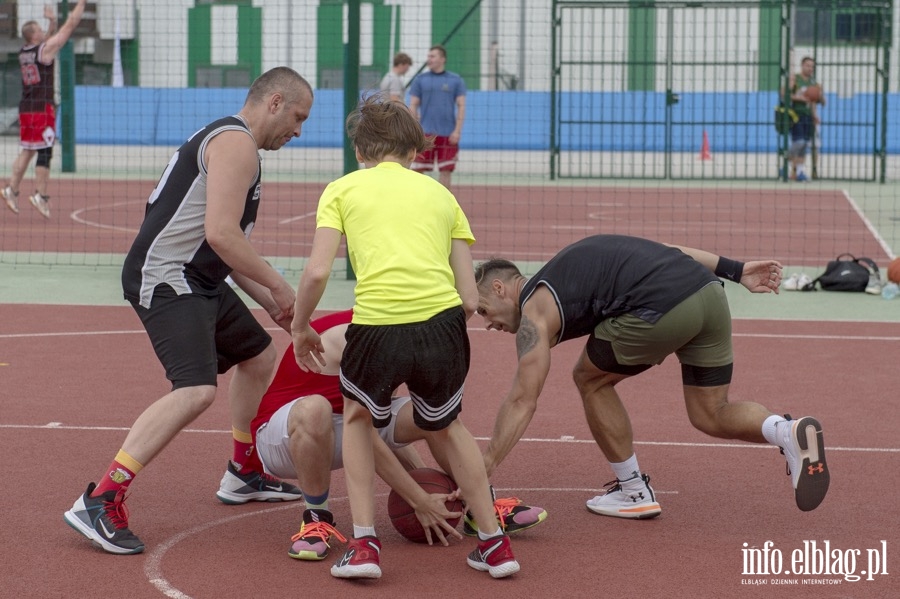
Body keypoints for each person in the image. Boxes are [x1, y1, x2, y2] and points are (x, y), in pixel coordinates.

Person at [63, 67, 315, 555]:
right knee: (196, 390)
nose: (299, 131)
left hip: (198, 277)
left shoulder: (233, 143)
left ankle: (244, 472)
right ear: (275, 101)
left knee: (260, 356)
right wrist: (283, 287)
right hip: (166, 276)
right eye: (298, 118)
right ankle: (101, 497)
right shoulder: (236, 144)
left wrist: (270, 304)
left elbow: (224, 244)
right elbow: (222, 234)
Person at [290, 94, 519, 580]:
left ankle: (366, 545)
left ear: (360, 151)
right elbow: (468, 295)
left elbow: (314, 272)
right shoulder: (442, 195)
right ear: (415, 152)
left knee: (356, 419)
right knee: (448, 426)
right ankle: (495, 546)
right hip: (442, 324)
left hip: (377, 325)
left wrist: (300, 324)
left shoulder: (342, 190)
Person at [473, 234, 830, 520]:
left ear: (501, 288)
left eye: (485, 309)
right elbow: (671, 250)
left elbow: (523, 399)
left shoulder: (536, 310)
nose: (489, 323)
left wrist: (484, 464)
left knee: (590, 379)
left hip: (663, 303)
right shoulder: (569, 268)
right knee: (710, 413)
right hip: (710, 295)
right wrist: (735, 270)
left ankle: (633, 491)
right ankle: (787, 431)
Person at [254, 309, 547, 561]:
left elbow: (381, 428)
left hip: (344, 427)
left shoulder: (401, 336)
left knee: (432, 414)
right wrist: (417, 497)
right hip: (283, 438)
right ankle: (316, 518)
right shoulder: (356, 336)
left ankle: (479, 504)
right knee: (315, 409)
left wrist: (437, 495)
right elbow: (365, 435)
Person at [2, 0, 86, 218]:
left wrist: (51, 22)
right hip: (41, 109)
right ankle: (40, 194)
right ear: (32, 35)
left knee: (28, 149)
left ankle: (12, 189)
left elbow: (47, 43)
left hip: (26, 108)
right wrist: (81, 4)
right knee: (45, 151)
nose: (42, 31)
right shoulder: (44, 51)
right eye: (38, 29)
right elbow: (68, 29)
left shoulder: (24, 51)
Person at [408, 45, 466, 190]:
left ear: (442, 59)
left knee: (446, 170)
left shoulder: (455, 80)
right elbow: (413, 105)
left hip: (447, 134)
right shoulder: (420, 79)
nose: (429, 59)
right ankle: (418, 201)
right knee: (418, 170)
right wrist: (415, 128)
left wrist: (457, 131)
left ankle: (443, 202)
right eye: (428, 56)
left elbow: (461, 105)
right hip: (425, 133)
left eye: (432, 56)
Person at [784, 56, 824, 182]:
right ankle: (787, 158)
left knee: (805, 145)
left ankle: (800, 171)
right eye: (808, 65)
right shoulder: (795, 79)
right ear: (802, 65)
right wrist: (799, 98)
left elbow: (815, 102)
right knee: (799, 142)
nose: (810, 68)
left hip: (808, 116)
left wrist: (815, 114)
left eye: (812, 66)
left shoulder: (814, 83)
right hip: (796, 115)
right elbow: (785, 94)